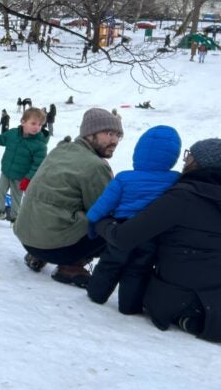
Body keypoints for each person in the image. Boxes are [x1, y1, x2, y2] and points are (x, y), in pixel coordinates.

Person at [94, 139, 221, 341]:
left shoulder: (183, 197)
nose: (185, 159)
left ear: (198, 162)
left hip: (177, 298)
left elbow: (125, 237)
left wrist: (102, 222)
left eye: (189, 155)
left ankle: (189, 315)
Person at [13, 108, 121, 287]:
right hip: (56, 247)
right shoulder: (95, 166)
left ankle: (37, 255)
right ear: (90, 133)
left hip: (27, 237)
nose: (115, 141)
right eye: (109, 133)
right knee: (113, 226)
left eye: (118, 136)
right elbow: (103, 211)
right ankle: (70, 267)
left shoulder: (60, 150)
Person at [85, 126, 181, 313]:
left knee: (110, 263)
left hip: (121, 229)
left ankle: (96, 294)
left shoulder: (124, 178)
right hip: (150, 234)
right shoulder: (174, 179)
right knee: (138, 269)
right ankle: (129, 306)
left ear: (138, 152)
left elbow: (103, 205)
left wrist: (92, 223)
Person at [0, 106, 48, 222]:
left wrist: (28, 179)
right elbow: (0, 139)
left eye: (40, 125)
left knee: (16, 197)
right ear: (23, 122)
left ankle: (15, 218)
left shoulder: (40, 145)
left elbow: (38, 165)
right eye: (33, 123)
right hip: (6, 171)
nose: (37, 127)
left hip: (21, 176)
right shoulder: (13, 134)